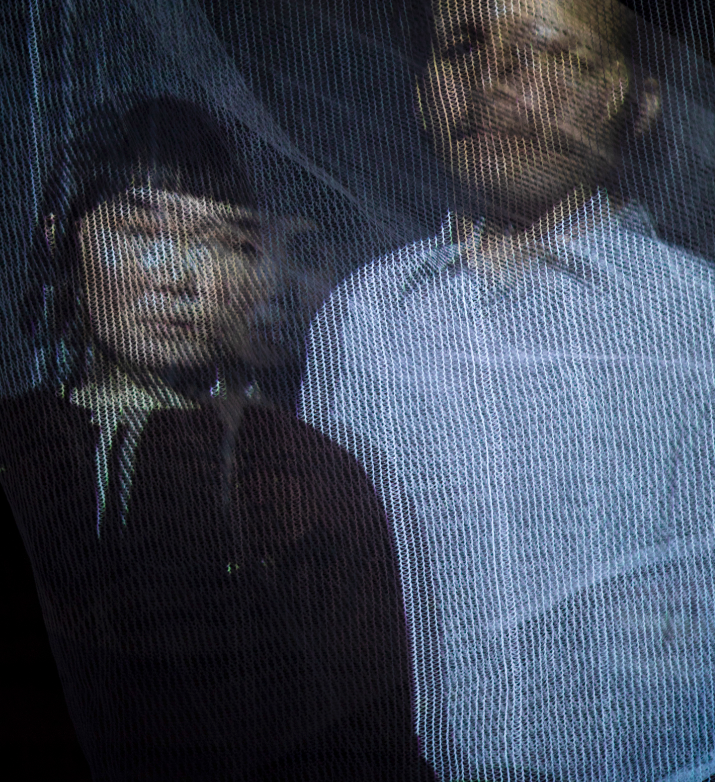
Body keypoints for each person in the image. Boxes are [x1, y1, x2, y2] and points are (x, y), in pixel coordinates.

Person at [300, 0, 715, 782]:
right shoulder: (361, 324)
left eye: (545, 48)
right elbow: (329, 602)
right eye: (460, 47)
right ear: (420, 95)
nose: (495, 75)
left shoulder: (714, 328)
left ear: (639, 99)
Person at [0, 95, 435, 781]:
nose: (178, 277)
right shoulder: (16, 447)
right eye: (141, 230)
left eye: (216, 242)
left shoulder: (296, 471)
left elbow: (366, 739)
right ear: (61, 238)